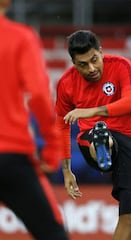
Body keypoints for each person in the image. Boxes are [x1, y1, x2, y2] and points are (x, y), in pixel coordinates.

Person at [55, 30, 131, 240]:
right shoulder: (66, 84)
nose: (91, 68)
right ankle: (102, 144)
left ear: (101, 51)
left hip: (130, 137)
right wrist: (66, 170)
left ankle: (105, 142)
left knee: (130, 213)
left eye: (94, 60)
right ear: (73, 63)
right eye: (82, 64)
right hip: (89, 137)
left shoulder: (121, 65)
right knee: (99, 136)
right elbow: (61, 126)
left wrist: (89, 111)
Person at [0, 0, 69, 239]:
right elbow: (39, 95)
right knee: (53, 233)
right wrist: (52, 145)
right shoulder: (20, 38)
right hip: (11, 156)